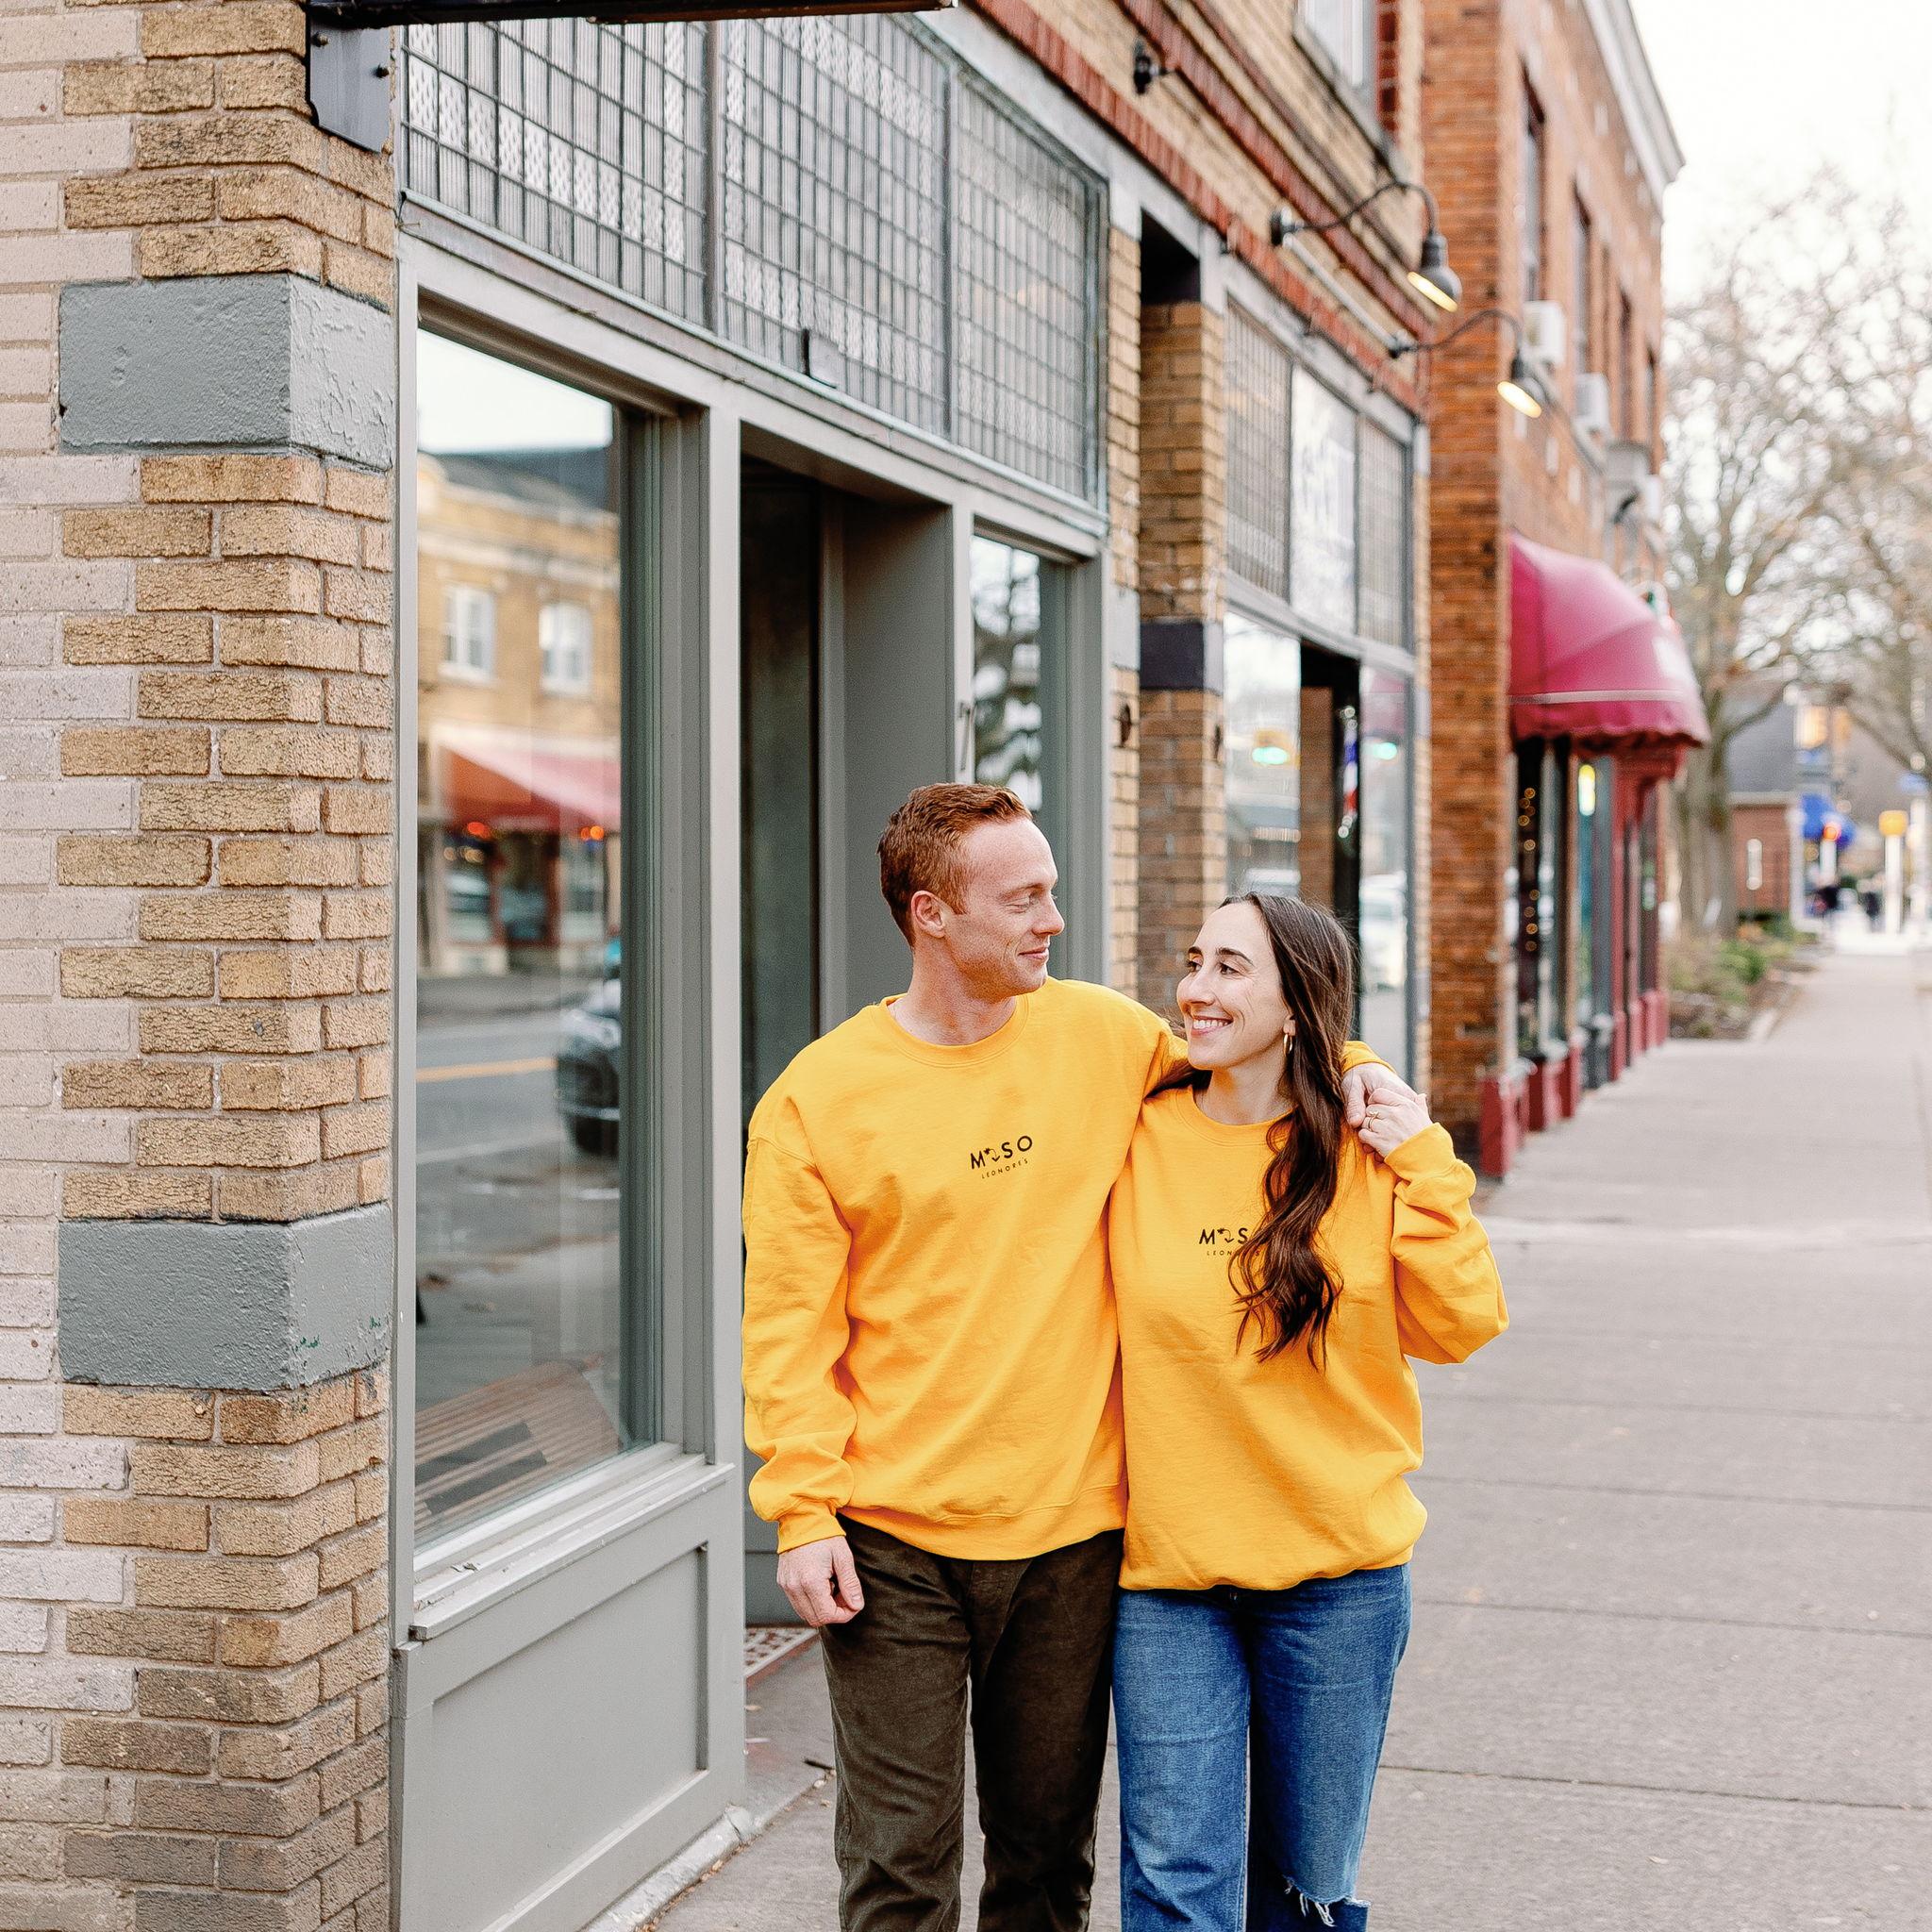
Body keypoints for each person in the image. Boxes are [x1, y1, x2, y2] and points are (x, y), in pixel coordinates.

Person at [741, 785, 1418, 1932]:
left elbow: (1256, 1031)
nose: (1052, 918)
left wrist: (1361, 1070)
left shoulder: (1104, 1037)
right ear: (930, 914)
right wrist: (801, 1511)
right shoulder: (817, 1098)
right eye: (1022, 898)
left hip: (1073, 1536)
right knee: (898, 1868)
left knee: (1047, 1860)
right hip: (891, 1538)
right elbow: (788, 1329)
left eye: (1049, 890)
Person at [1109, 893, 1507, 1932]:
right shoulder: (1135, 1130)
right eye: (1193, 960)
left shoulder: (1368, 1148)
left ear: (1296, 1005)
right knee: (1173, 1878)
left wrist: (1422, 1154)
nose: (1195, 989)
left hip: (1338, 1581)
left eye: (1230, 967)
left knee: (1305, 1888)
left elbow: (1460, 1324)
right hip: (1170, 1579)